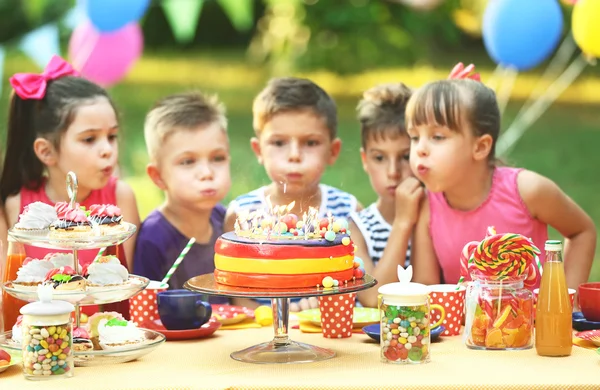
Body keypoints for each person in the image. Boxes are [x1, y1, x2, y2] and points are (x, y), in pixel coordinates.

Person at [406, 78, 596, 291]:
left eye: (438, 137)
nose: (420, 149)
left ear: (480, 147)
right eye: (414, 137)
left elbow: (582, 232)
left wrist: (564, 303)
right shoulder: (426, 206)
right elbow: (427, 291)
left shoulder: (528, 191)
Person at [0, 55, 140, 316]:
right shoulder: (18, 207)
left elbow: (120, 287)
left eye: (111, 136)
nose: (107, 150)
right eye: (89, 139)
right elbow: (8, 298)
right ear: (46, 151)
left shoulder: (120, 199)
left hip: (103, 336)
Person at [224, 77, 361, 311]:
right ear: (258, 150)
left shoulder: (348, 211)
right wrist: (275, 317)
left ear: (332, 151)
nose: (295, 155)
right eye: (279, 143)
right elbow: (236, 292)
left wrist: (323, 309)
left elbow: (357, 281)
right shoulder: (243, 214)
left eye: (310, 142)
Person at [133, 92, 230, 304]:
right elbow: (145, 312)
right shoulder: (153, 238)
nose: (206, 172)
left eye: (217, 158)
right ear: (158, 176)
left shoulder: (226, 222)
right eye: (187, 162)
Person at [349, 82, 423, 308]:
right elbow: (372, 298)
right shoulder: (357, 227)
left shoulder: (436, 215)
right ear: (365, 161)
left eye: (404, 156)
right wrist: (402, 222)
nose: (393, 172)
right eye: (379, 158)